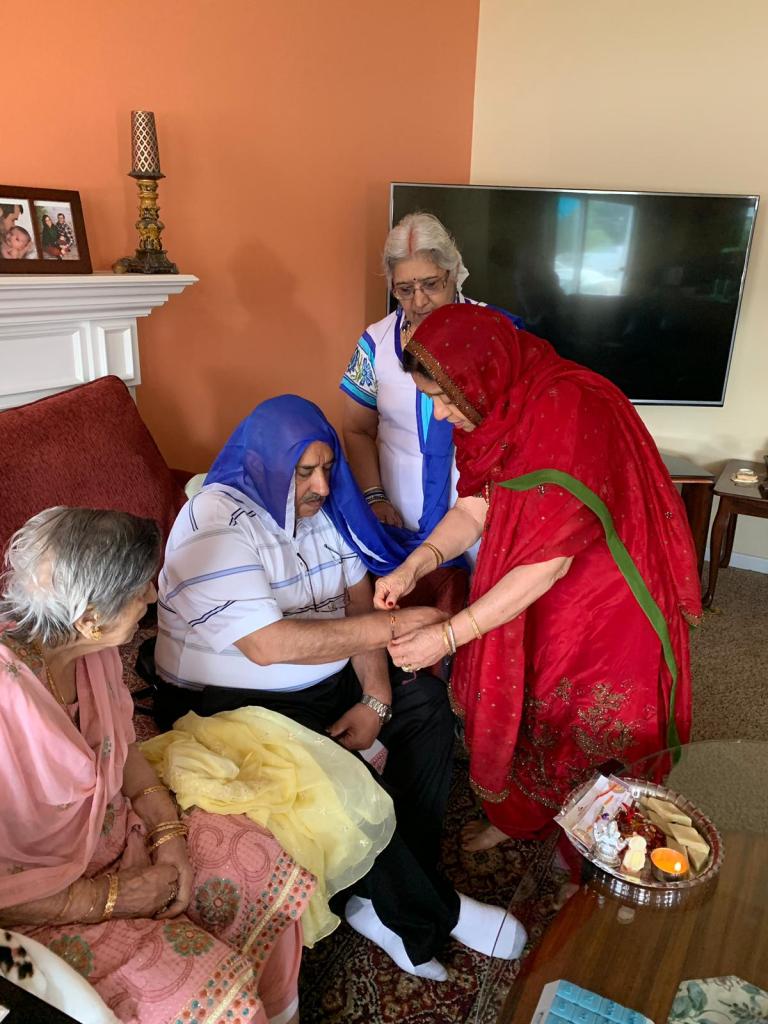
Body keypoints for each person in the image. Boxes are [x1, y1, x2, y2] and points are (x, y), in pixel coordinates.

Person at [153, 395, 527, 981]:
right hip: (228, 700)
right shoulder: (214, 523)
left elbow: (356, 603)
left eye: (328, 468)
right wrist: (396, 626)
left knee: (425, 706)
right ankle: (434, 913)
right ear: (265, 464)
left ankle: (385, 891)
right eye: (305, 472)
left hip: (326, 679)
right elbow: (268, 646)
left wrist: (376, 699)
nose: (323, 486)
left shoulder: (324, 511)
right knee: (328, 767)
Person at [374, 304, 702, 851]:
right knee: (531, 699)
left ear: (481, 375)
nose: (440, 413)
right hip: (534, 582)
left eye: (444, 398)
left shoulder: (567, 409)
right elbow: (476, 504)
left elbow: (550, 563)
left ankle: (600, 854)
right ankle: (521, 820)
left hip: (607, 596)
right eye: (430, 397)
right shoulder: (494, 405)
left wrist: (448, 636)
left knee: (589, 718)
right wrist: (417, 563)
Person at [0, 507, 315, 1024]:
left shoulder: (86, 649)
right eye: (140, 589)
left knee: (262, 865)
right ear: (89, 618)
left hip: (115, 834)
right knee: (216, 1000)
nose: (152, 596)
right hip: (38, 903)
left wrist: (168, 834)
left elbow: (118, 752)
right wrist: (113, 897)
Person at [340, 212, 524, 547]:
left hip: (485, 524)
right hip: (400, 523)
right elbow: (356, 429)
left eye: (431, 284)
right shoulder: (375, 344)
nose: (419, 301)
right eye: (405, 289)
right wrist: (374, 496)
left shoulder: (498, 335)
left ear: (453, 273)